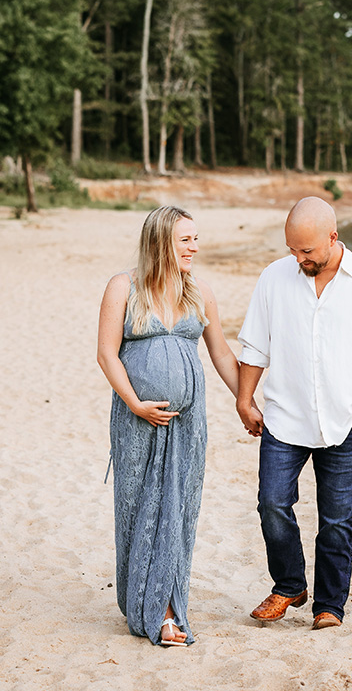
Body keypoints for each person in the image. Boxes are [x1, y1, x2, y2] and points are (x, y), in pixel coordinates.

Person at [236, 196, 352, 630]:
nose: (299, 258)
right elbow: (255, 345)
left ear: (333, 237)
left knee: (336, 519)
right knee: (272, 504)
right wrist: (244, 398)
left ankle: (330, 606)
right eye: (293, 249)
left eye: (307, 251)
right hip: (284, 417)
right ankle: (289, 585)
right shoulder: (274, 277)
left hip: (346, 420)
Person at [97, 205, 240, 647]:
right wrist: (136, 404)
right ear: (161, 242)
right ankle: (142, 602)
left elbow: (220, 354)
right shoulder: (123, 287)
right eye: (186, 240)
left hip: (187, 426)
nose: (195, 247)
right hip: (136, 420)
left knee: (178, 511)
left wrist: (246, 400)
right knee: (138, 510)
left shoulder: (200, 291)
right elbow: (106, 354)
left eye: (196, 239)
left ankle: (167, 607)